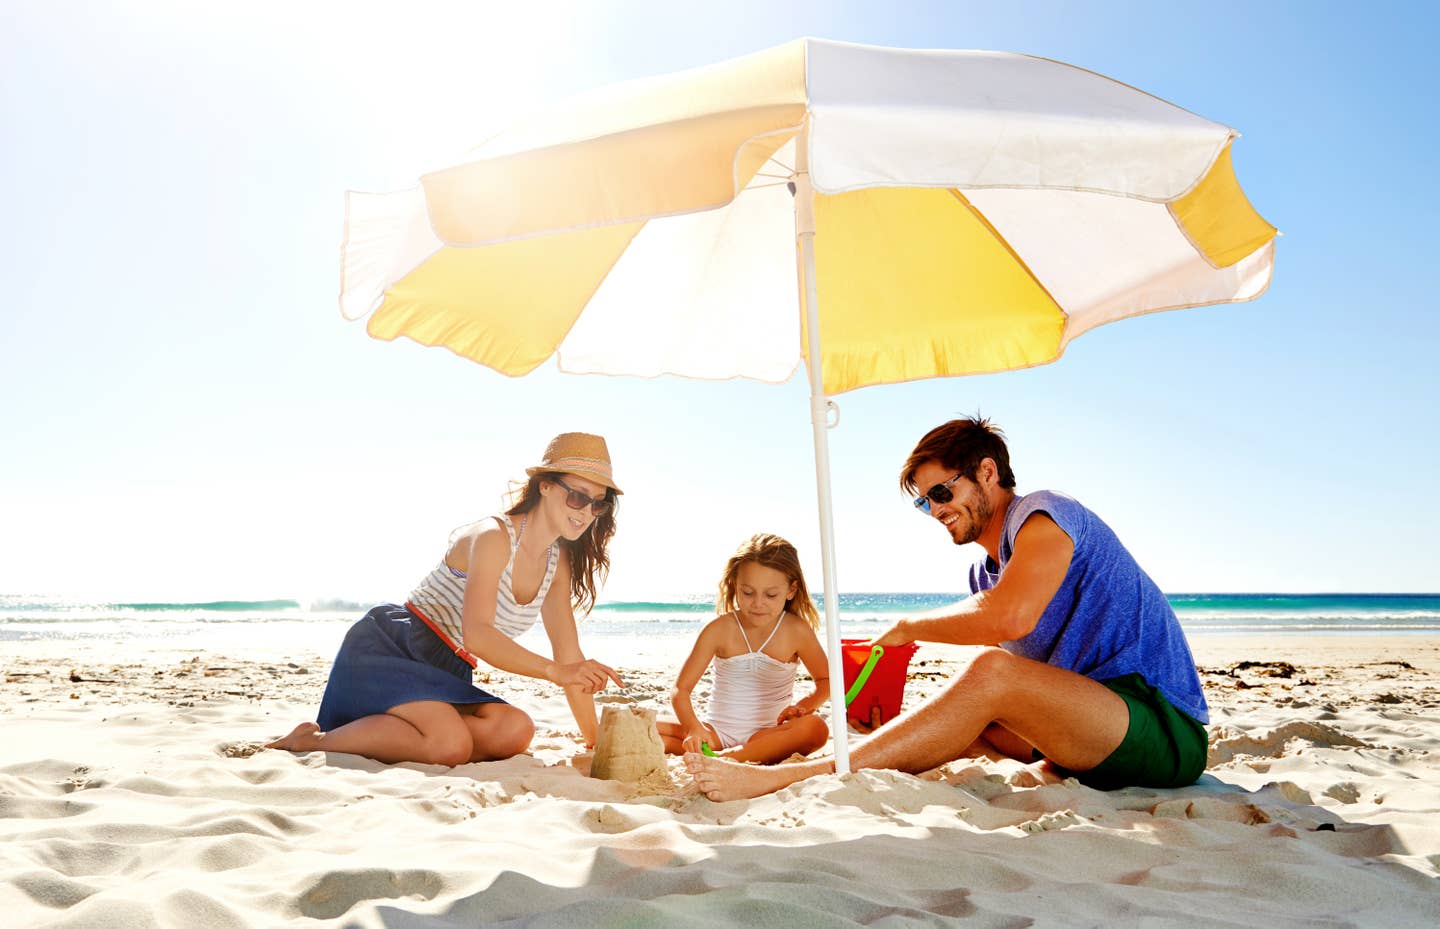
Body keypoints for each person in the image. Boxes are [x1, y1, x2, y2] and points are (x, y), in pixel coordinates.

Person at [687, 416, 1209, 800]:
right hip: (1092, 738)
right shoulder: (985, 573)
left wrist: (908, 626)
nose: (936, 510)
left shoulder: (1046, 515)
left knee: (990, 672)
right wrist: (887, 726)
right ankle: (845, 759)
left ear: (987, 471)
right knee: (954, 722)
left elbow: (1008, 618)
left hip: (1163, 729)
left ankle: (784, 779)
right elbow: (1017, 678)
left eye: (941, 491)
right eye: (923, 502)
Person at [267, 432, 626, 766]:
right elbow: (479, 635)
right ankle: (312, 742)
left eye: (598, 504)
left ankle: (398, 730)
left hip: (450, 667)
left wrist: (595, 739)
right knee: (450, 744)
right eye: (578, 496)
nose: (585, 512)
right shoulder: (493, 536)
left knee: (515, 730)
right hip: (395, 646)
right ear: (545, 486)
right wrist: (555, 672)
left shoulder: (556, 561)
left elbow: (569, 655)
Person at [656, 533, 831, 764]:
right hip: (714, 733)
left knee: (816, 729)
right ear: (734, 585)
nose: (758, 603)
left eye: (771, 595)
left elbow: (827, 680)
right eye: (748, 592)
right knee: (642, 723)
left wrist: (803, 707)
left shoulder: (796, 631)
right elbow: (681, 690)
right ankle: (718, 753)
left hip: (768, 735)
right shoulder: (719, 629)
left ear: (791, 590)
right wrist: (693, 728)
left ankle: (728, 757)